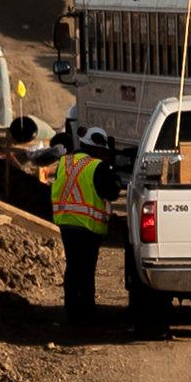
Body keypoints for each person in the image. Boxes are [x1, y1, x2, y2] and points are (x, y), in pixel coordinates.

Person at [48, 127, 117, 319]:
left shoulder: (65, 161)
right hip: (88, 225)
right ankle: (86, 312)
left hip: (66, 221)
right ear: (97, 148)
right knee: (86, 269)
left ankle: (71, 310)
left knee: (73, 266)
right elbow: (111, 192)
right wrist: (113, 172)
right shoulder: (98, 166)